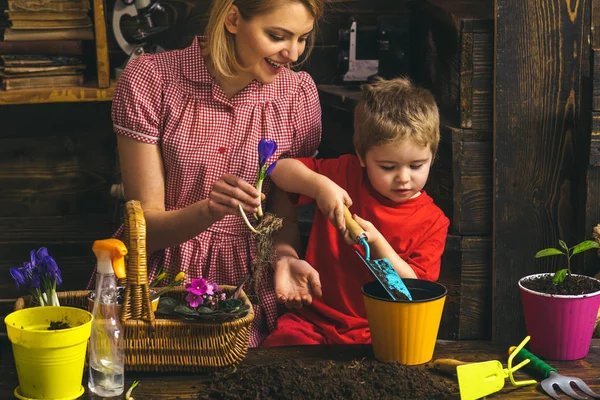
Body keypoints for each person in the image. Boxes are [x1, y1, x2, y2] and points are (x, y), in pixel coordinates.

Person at [100, 0, 326, 347]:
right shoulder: (151, 79)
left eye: (303, 39)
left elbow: (283, 222)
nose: (293, 53)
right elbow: (143, 231)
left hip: (248, 289)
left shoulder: (297, 96)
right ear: (233, 19)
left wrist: (285, 258)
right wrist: (208, 210)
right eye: (278, 36)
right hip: (162, 284)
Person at [262, 77, 450, 346]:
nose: (403, 178)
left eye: (417, 165)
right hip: (312, 320)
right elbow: (278, 170)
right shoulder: (344, 173)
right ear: (362, 156)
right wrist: (319, 185)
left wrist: (377, 244)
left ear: (432, 155)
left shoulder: (432, 222)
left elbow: (409, 292)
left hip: (378, 331)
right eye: (388, 167)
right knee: (278, 349)